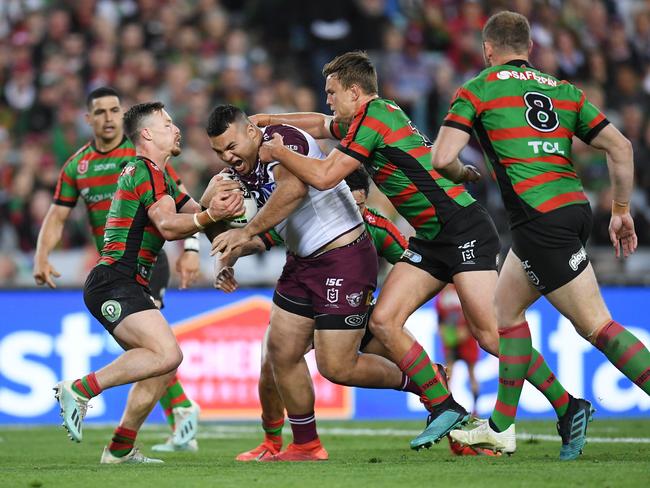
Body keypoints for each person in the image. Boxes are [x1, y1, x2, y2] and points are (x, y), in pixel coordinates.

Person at [252, 51, 585, 452]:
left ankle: (568, 406)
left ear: (355, 92)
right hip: (432, 238)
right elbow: (322, 125)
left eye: (332, 92)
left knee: (490, 335)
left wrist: (281, 151)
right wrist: (272, 121)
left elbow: (323, 176)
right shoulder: (367, 116)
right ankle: (443, 404)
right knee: (384, 320)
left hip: (464, 229)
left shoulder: (373, 117)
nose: (328, 100)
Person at [427, 11, 650, 460]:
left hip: (538, 220)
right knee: (505, 313)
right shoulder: (565, 91)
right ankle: (502, 428)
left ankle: (517, 424)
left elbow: (441, 157)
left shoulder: (480, 88)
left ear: (488, 49)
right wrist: (621, 210)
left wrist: (464, 171)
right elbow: (621, 147)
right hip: (571, 208)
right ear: (529, 48)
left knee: (597, 326)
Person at [207, 105, 429, 461]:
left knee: (337, 367)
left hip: (343, 257)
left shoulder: (283, 141)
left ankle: (428, 383)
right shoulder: (241, 171)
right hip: (302, 262)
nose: (227, 156)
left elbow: (292, 191)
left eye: (231, 146)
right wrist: (220, 235)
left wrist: (245, 230)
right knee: (280, 353)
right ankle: (306, 444)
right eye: (219, 152)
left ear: (251, 132)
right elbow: (245, 234)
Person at [53, 102, 245, 464]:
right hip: (115, 280)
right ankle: (79, 390)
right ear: (147, 134)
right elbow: (173, 226)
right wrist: (211, 214)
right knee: (168, 354)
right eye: (167, 123)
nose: (176, 129)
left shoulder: (162, 177)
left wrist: (225, 209)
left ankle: (121, 448)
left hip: (126, 283)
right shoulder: (145, 170)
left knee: (161, 364)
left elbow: (197, 214)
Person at [33, 87, 202, 453]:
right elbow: (57, 214)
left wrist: (193, 248)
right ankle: (174, 410)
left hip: (145, 267)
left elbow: (186, 204)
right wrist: (41, 255)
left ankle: (133, 440)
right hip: (118, 270)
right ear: (89, 119)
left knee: (154, 355)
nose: (108, 117)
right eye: (101, 112)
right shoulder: (82, 166)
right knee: (159, 354)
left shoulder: (147, 159)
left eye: (114, 110)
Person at [230, 167, 415, 461]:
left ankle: (443, 405)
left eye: (360, 205)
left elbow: (411, 269)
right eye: (347, 205)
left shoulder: (377, 227)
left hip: (353, 306)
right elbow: (263, 240)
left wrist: (388, 309)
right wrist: (231, 248)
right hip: (305, 300)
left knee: (406, 359)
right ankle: (271, 442)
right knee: (272, 359)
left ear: (365, 200)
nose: (352, 213)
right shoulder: (308, 216)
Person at [436, 284, 480, 414]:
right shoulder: (442, 294)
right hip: (451, 338)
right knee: (449, 374)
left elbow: (473, 312)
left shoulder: (461, 289)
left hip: (467, 338)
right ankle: (448, 408)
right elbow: (440, 319)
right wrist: (444, 332)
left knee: (471, 373)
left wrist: (468, 329)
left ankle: (475, 408)